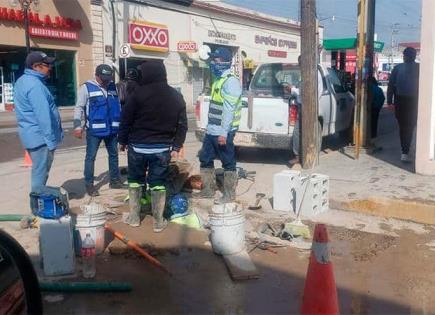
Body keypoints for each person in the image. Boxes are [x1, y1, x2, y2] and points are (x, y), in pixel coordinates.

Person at [118, 60, 187, 232]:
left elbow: (126, 119)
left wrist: (122, 141)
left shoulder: (137, 94)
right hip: (162, 149)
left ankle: (134, 218)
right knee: (158, 183)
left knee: (135, 181)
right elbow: (182, 124)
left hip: (137, 147)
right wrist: (177, 146)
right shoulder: (176, 96)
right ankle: (158, 221)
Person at [194, 47, 242, 204]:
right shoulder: (218, 79)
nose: (213, 63)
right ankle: (208, 190)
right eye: (213, 60)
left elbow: (228, 110)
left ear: (226, 62)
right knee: (205, 158)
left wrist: (223, 133)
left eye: (217, 60)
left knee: (228, 162)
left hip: (223, 132)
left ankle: (229, 195)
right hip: (212, 130)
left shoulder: (231, 82)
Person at [14, 51, 63, 193]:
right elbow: (43, 116)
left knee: (38, 172)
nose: (50, 67)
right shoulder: (35, 86)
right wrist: (51, 141)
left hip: (31, 135)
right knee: (40, 176)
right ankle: (38, 208)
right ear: (36, 66)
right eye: (47, 65)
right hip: (41, 138)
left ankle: (38, 204)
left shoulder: (22, 81)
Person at [73, 64, 123, 196]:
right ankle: (89, 185)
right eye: (104, 78)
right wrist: (78, 126)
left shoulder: (113, 87)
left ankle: (115, 180)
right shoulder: (86, 88)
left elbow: (118, 106)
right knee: (90, 157)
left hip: (112, 129)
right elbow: (79, 107)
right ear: (97, 76)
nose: (107, 81)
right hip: (94, 131)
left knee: (114, 155)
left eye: (108, 78)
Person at [387, 47, 419, 162]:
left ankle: (405, 151)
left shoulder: (397, 68)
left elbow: (391, 86)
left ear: (404, 56)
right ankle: (410, 150)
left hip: (400, 101)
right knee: (412, 126)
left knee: (404, 127)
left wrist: (389, 102)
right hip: (416, 101)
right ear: (414, 56)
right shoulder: (420, 68)